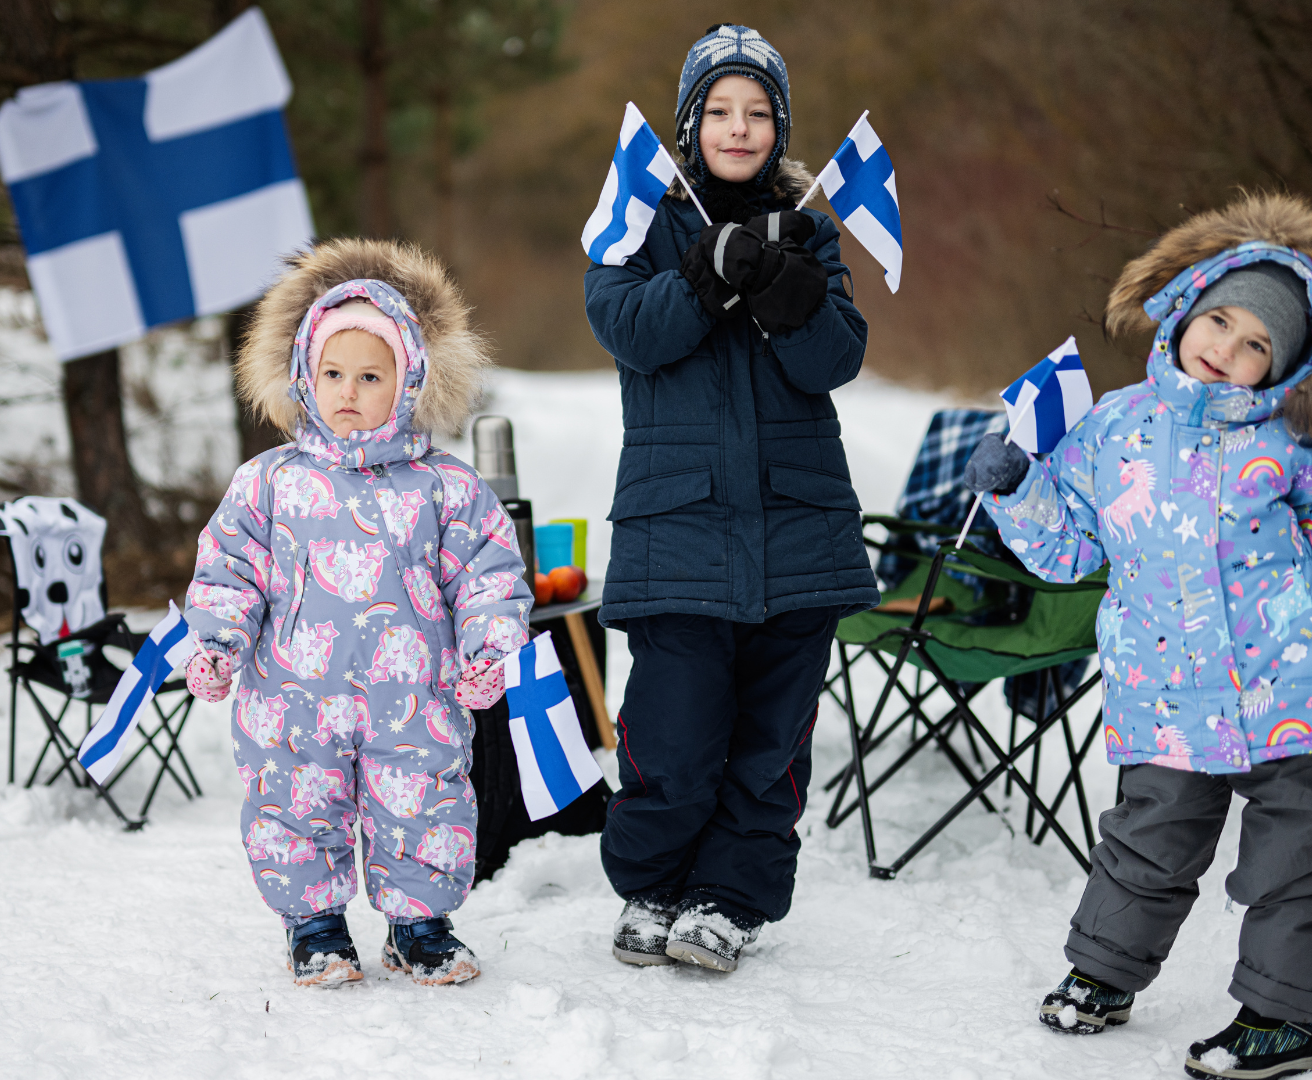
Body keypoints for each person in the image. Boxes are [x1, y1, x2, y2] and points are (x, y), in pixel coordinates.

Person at [964, 192, 1312, 1079]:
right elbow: (1072, 547)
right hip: (1167, 693)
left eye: (1256, 344)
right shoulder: (1113, 427)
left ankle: (1280, 1017)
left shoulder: (1300, 439)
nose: (1225, 351)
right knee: (1146, 842)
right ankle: (1103, 975)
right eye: (1219, 322)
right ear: (1186, 310)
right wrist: (1014, 492)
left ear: (1287, 365)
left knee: (1294, 859)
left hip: (1297, 689)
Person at [583, 23, 878, 974]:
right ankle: (651, 886)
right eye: (720, 110)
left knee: (768, 748)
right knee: (670, 737)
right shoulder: (643, 219)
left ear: (780, 128)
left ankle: (730, 897)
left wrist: (794, 299)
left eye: (758, 112)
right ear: (688, 123)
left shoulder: (811, 226)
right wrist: (704, 280)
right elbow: (625, 326)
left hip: (798, 530)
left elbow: (837, 357)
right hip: (678, 532)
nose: (739, 127)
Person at [181, 239, 532, 988]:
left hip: (414, 699)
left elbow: (489, 574)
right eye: (333, 374)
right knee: (294, 803)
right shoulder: (269, 483)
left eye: (370, 376)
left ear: (407, 384)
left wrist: (486, 647)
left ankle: (420, 926)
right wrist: (216, 644)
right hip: (291, 702)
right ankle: (313, 926)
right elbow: (228, 570)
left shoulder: (445, 488)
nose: (349, 390)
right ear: (304, 379)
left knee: (425, 803)